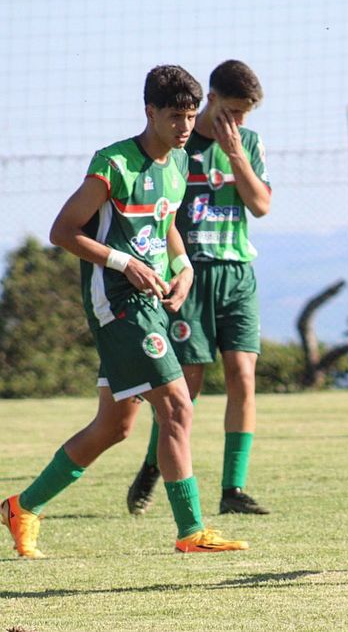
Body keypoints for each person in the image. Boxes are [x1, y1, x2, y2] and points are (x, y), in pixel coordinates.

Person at [1, 65, 248, 557]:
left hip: (149, 301)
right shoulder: (112, 164)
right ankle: (192, 530)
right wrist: (123, 262)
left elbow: (166, 224)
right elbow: (63, 231)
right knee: (177, 406)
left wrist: (183, 267)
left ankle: (21, 508)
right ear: (149, 112)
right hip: (116, 303)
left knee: (115, 426)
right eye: (175, 116)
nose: (184, 127)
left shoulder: (179, 164)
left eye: (191, 116)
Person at [126, 60, 272, 516]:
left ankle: (233, 490)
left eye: (247, 113)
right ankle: (154, 463)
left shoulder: (247, 143)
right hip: (190, 274)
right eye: (233, 110)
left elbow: (262, 205)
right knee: (186, 385)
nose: (240, 122)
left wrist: (237, 156)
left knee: (243, 378)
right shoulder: (178, 142)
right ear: (211, 100)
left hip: (237, 272)